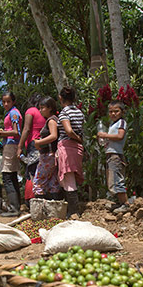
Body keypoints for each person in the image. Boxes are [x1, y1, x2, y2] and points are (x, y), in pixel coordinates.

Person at [56, 86, 85, 218]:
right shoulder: (80, 113)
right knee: (70, 178)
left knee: (68, 180)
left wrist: (76, 137)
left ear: (60, 98)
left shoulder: (64, 113)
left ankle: (73, 211)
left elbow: (68, 130)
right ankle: (72, 209)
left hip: (67, 147)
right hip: (77, 148)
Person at [97, 100, 130, 214]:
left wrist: (105, 135)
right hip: (111, 154)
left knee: (117, 180)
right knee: (112, 180)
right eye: (111, 112)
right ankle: (120, 203)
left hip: (116, 155)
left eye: (116, 111)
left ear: (122, 112)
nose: (113, 114)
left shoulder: (121, 122)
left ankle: (125, 204)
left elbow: (120, 136)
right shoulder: (113, 125)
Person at [0, 91, 22, 217]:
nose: (5, 104)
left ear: (13, 101)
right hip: (10, 144)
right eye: (3, 101)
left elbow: (16, 132)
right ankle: (16, 205)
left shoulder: (13, 113)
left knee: (7, 176)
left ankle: (14, 208)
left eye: (8, 101)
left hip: (11, 145)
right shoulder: (11, 113)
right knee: (12, 176)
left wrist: (1, 133)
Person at [32, 96, 61, 199]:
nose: (40, 111)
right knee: (53, 183)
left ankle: (39, 210)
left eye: (42, 108)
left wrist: (39, 142)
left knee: (38, 182)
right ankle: (54, 208)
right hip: (52, 154)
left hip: (48, 155)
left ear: (50, 108)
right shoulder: (54, 120)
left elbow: (53, 136)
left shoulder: (51, 120)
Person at [18, 92, 45, 181]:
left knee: (34, 173)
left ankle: (37, 194)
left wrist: (19, 147)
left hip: (34, 145)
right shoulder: (44, 113)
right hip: (44, 144)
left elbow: (26, 129)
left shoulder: (31, 111)